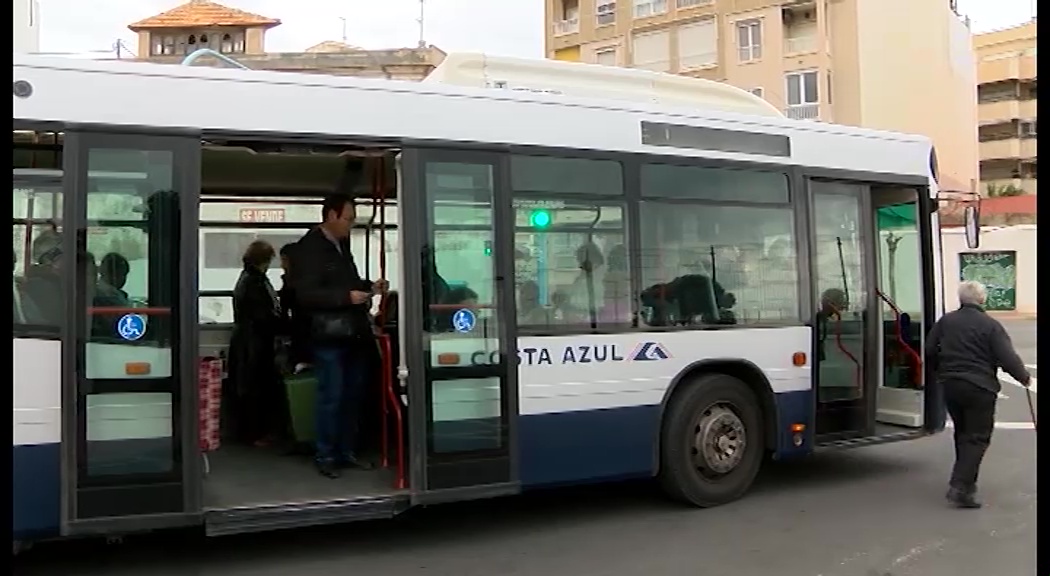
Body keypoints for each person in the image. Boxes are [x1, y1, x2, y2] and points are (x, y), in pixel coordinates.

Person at [293, 193, 388, 478]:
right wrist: (346, 297)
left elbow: (349, 281)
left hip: (354, 334)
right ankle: (326, 455)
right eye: (348, 218)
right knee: (331, 397)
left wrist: (370, 286)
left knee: (352, 396)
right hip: (329, 335)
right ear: (331, 215)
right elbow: (306, 295)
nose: (351, 224)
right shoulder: (307, 249)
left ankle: (347, 451)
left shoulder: (342, 245)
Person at [925, 280, 1031, 509]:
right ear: (982, 299)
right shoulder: (990, 325)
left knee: (963, 433)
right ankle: (960, 486)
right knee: (977, 437)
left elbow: (929, 349)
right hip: (980, 387)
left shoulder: (946, 321)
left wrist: (939, 373)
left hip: (951, 385)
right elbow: (1007, 356)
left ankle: (966, 482)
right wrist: (1023, 377)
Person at [227, 240, 289, 447]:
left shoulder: (247, 279)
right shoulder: (256, 282)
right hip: (255, 342)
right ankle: (255, 434)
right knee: (257, 388)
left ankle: (248, 433)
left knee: (247, 388)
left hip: (245, 340)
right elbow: (265, 316)